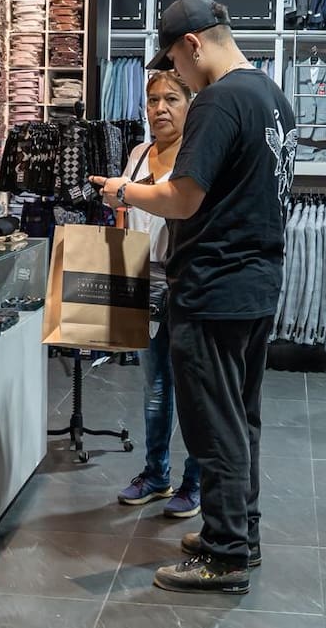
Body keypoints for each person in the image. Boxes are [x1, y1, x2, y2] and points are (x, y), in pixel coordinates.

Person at [90, 0, 297, 595]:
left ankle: (224, 554)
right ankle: (240, 533)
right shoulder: (272, 98)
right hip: (258, 282)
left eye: (175, 65)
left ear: (195, 45)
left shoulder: (219, 100)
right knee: (242, 417)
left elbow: (183, 197)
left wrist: (124, 192)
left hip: (213, 285)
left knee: (213, 424)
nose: (176, 78)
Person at [115, 69, 202, 520]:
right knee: (154, 385)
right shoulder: (138, 154)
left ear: (190, 104)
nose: (160, 109)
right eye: (152, 101)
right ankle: (155, 474)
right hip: (143, 279)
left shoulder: (197, 155)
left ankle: (195, 481)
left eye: (171, 99)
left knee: (192, 389)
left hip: (185, 281)